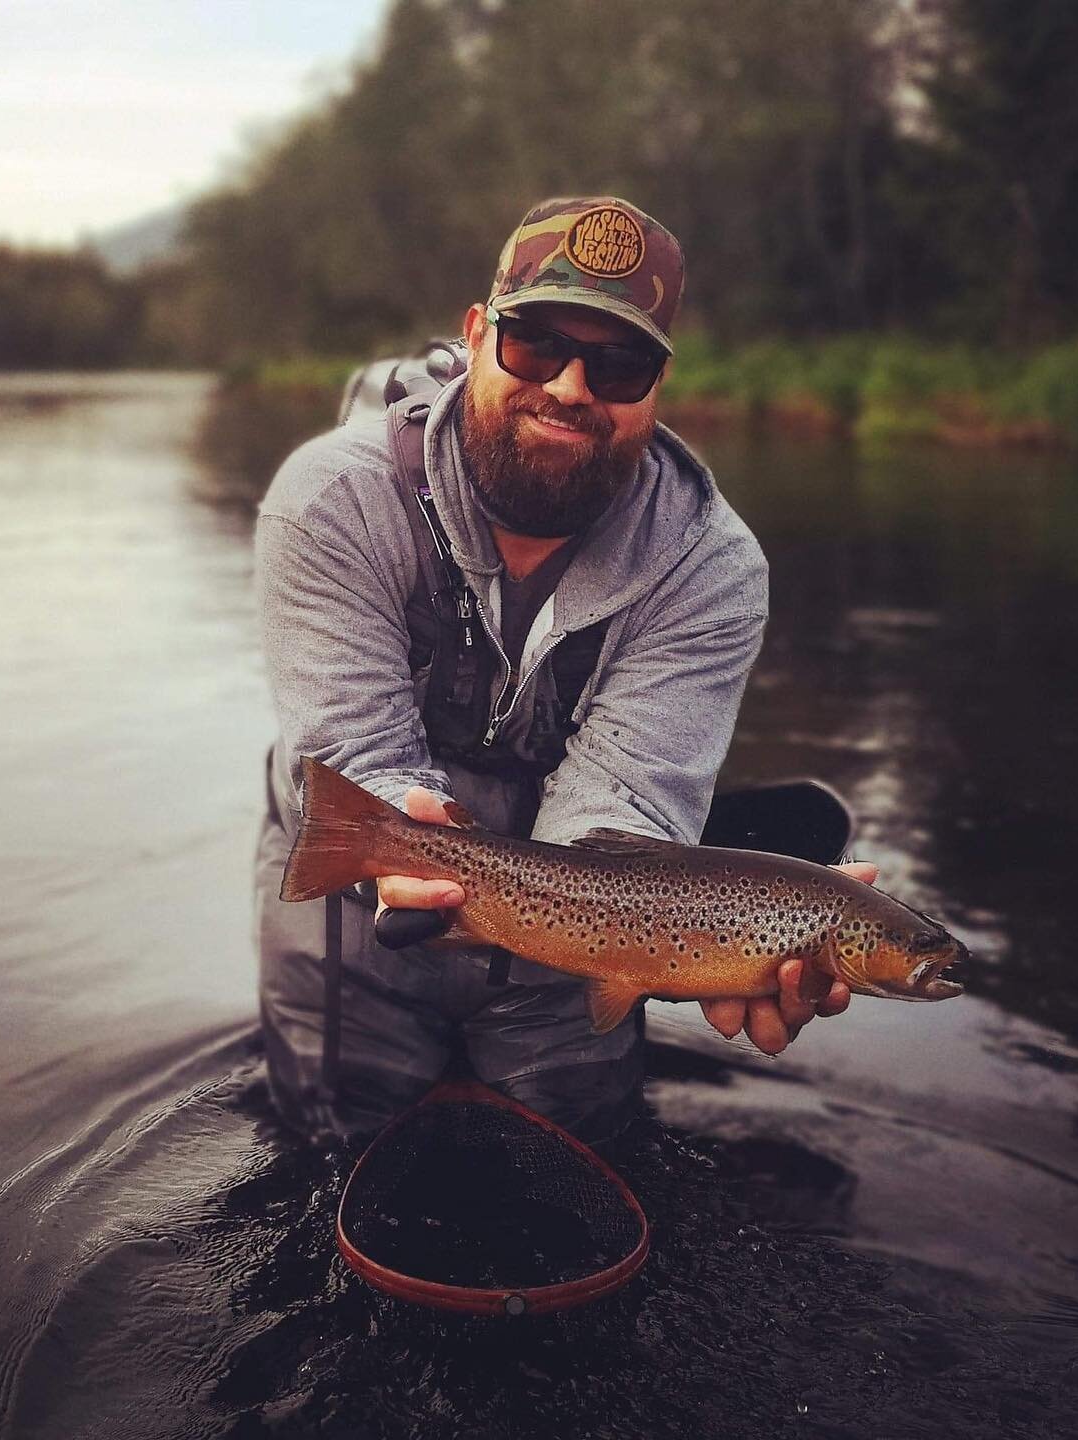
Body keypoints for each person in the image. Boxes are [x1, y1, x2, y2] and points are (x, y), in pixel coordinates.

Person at [253, 196, 862, 1143]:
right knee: (335, 1148)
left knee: (574, 1154)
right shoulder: (333, 502)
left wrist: (702, 946)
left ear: (658, 387)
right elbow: (352, 762)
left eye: (619, 364)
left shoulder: (711, 567)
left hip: (574, 925)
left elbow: (620, 816)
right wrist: (396, 843)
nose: (574, 387)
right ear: (477, 335)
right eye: (538, 345)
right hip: (360, 888)